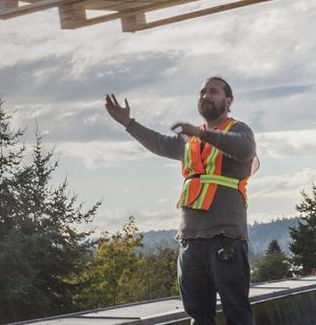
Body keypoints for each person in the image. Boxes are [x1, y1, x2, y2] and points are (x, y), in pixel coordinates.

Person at [106, 77, 257, 325]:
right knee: (197, 314)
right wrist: (128, 123)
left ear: (228, 101)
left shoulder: (239, 130)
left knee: (237, 311)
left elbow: (244, 150)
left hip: (225, 237)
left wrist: (201, 133)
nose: (206, 95)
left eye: (213, 91)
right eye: (202, 91)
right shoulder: (190, 141)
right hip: (190, 241)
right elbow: (158, 143)